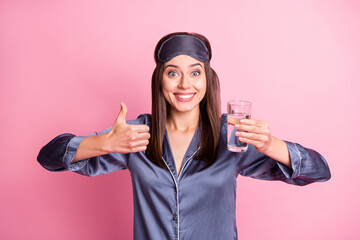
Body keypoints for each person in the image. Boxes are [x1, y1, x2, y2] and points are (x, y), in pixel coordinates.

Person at [37, 32, 331, 240]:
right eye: (173, 73)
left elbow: (319, 171)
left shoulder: (231, 137)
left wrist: (271, 144)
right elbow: (48, 158)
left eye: (195, 72)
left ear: (207, 80)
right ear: (160, 80)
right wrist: (103, 143)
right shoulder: (135, 135)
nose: (184, 84)